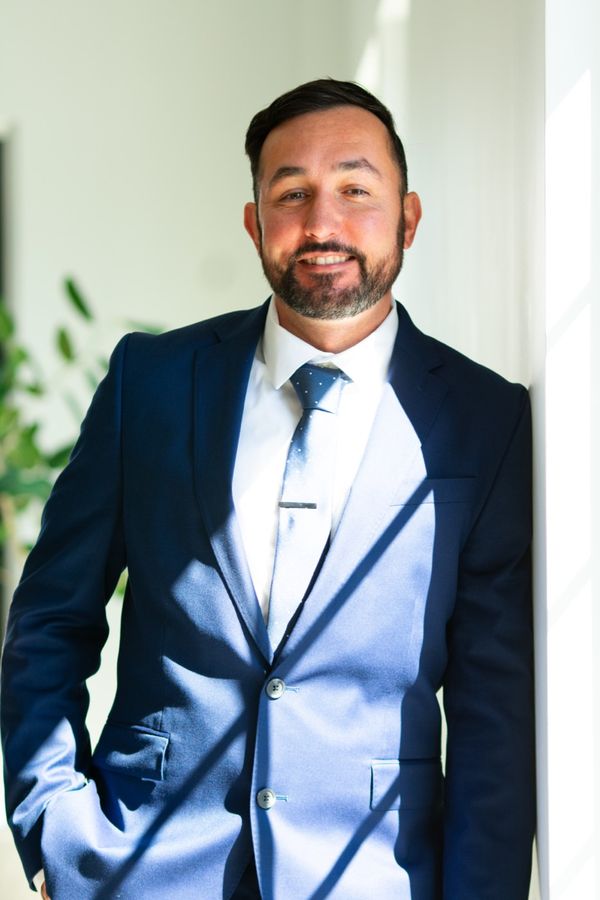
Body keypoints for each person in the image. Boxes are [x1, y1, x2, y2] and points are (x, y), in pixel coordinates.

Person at [1, 78, 535, 900]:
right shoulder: (149, 385)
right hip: (136, 873)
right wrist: (52, 831)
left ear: (409, 216)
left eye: (356, 190)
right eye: (292, 194)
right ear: (255, 224)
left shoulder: (484, 421)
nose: (322, 224)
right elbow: (49, 619)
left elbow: (495, 714)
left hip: (371, 879)